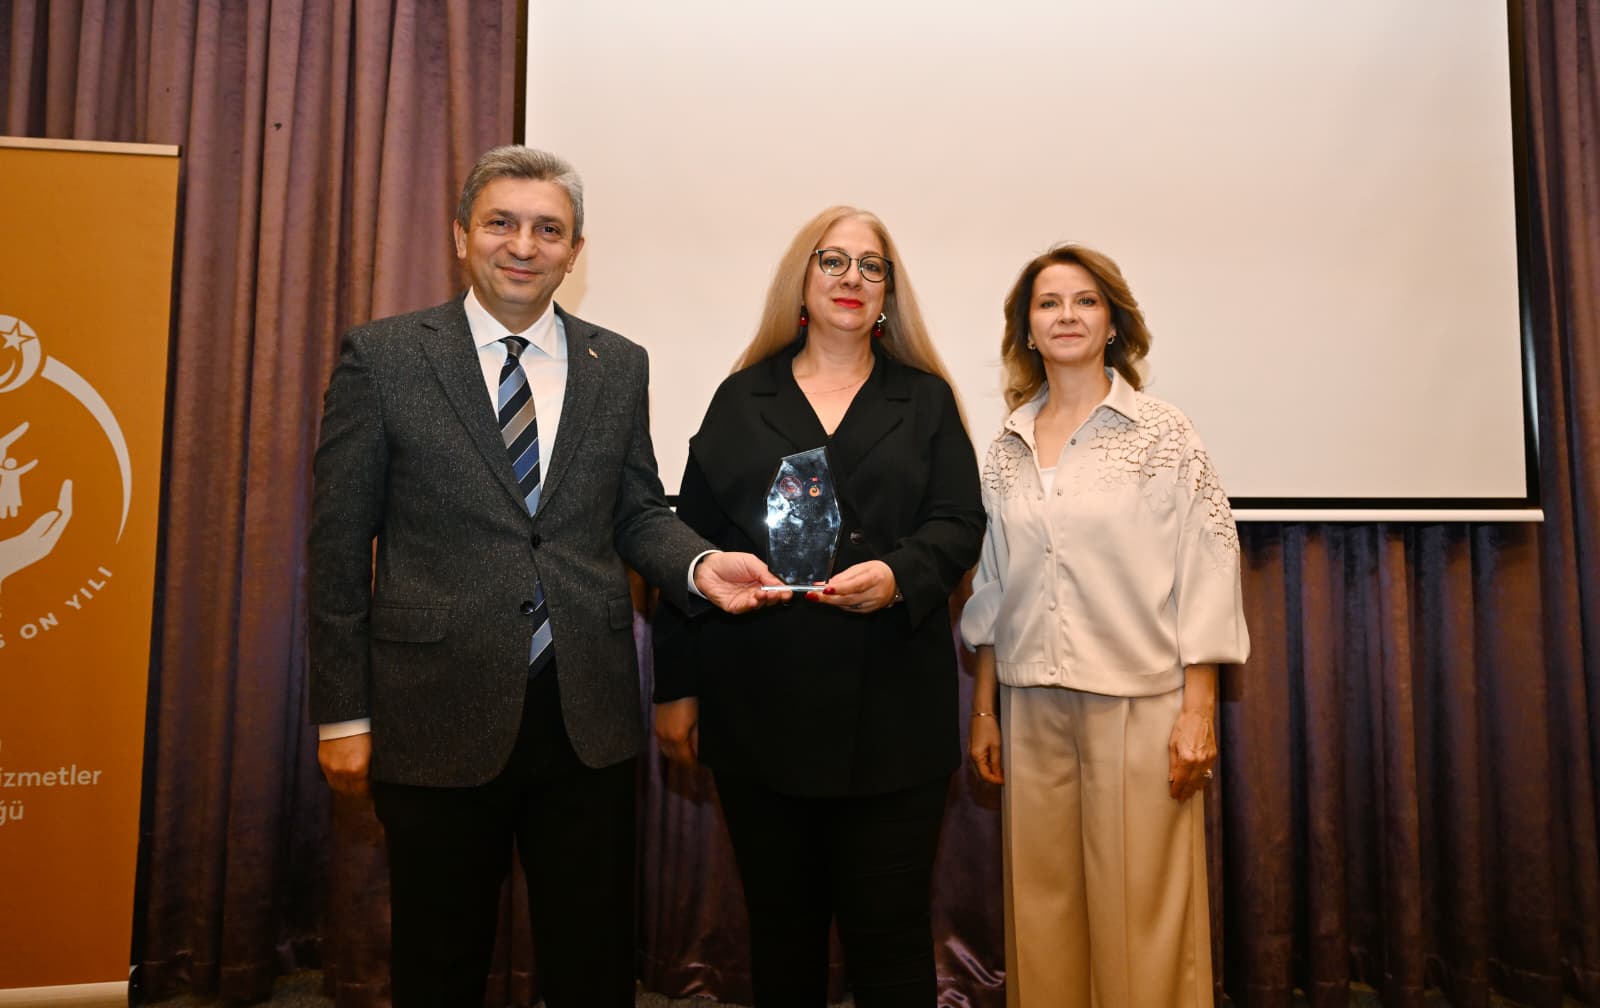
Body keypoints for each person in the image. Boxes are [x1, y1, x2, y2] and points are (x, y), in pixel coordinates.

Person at [307, 145, 781, 1008]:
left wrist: (701, 564)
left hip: (585, 714)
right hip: (433, 711)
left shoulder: (619, 364)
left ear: (575, 251)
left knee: (592, 966)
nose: (523, 245)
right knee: (439, 964)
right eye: (502, 223)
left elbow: (637, 511)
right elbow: (338, 547)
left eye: (548, 230)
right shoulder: (384, 357)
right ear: (462, 235)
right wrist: (344, 713)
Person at [652, 206, 985, 1007]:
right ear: (801, 282)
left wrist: (899, 576)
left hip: (894, 712)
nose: (851, 278)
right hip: (758, 706)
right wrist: (676, 687)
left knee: (891, 942)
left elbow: (958, 523)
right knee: (783, 938)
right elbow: (687, 547)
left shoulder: (926, 400)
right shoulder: (742, 397)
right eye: (832, 261)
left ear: (888, 292)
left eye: (871, 266)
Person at [961, 244, 1250, 1006]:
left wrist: (1198, 710)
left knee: (1141, 918)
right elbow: (993, 585)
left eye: (1085, 301)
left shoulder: (1163, 433)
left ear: (1113, 322)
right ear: (1027, 329)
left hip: (1139, 704)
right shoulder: (1006, 447)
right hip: (1030, 704)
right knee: (1042, 913)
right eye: (1048, 303)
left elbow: (1208, 565)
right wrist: (985, 709)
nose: (1067, 315)